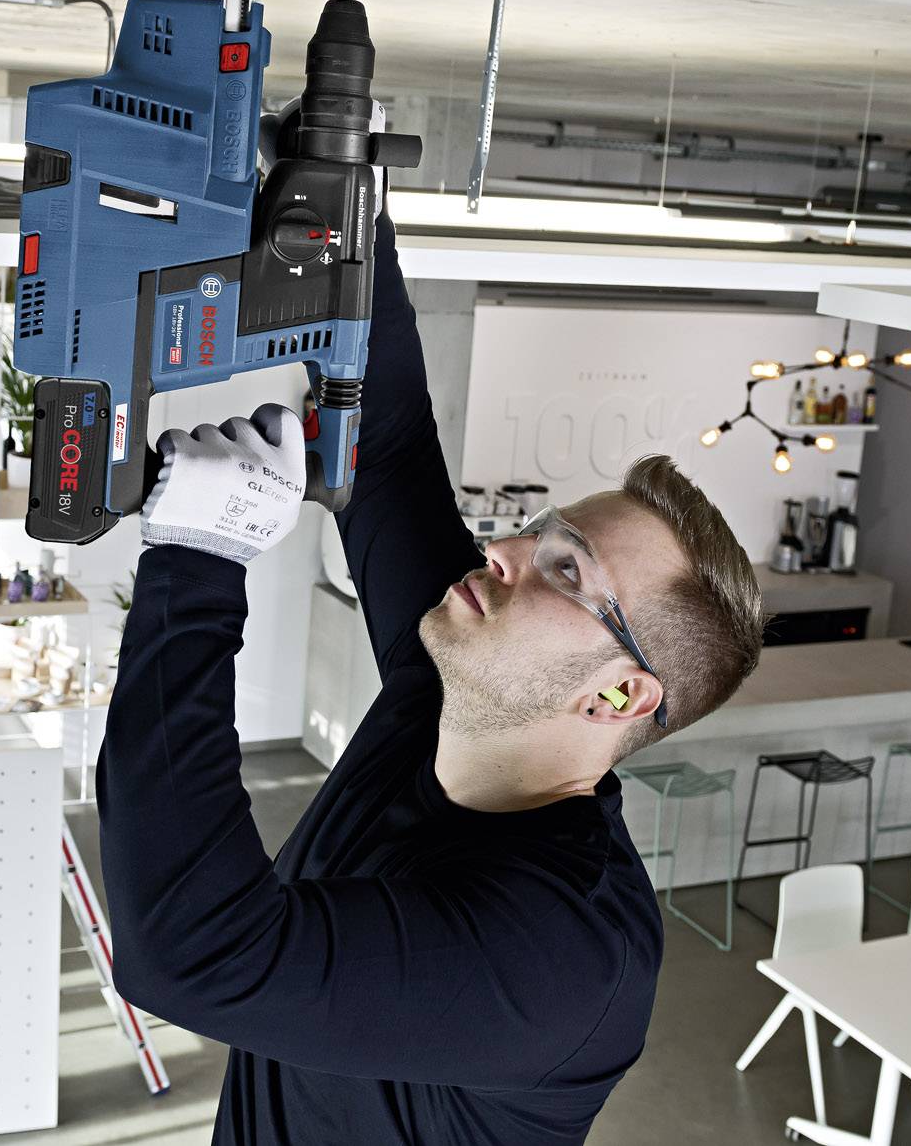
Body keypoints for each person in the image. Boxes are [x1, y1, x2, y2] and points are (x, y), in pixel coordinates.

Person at [96, 211, 767, 1145]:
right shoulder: (457, 694)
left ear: (617, 695)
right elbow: (393, 439)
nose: (504, 550)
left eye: (568, 572)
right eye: (544, 532)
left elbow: (190, 955)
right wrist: (341, 201)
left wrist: (198, 564)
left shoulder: (561, 958)